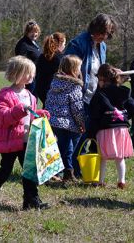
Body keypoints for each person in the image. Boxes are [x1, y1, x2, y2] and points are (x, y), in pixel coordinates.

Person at [0, 56, 50, 210]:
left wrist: (39, 113)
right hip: (11, 141)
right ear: (17, 74)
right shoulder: (6, 94)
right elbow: (2, 116)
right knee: (5, 170)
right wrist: (20, 109)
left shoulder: (30, 95)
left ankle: (31, 200)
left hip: (26, 139)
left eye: (32, 73)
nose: (32, 76)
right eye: (28, 73)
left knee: (29, 171)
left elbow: (29, 114)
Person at [64, 13, 117, 177]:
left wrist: (113, 73)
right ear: (97, 29)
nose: (105, 38)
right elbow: (68, 69)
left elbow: (100, 69)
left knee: (87, 134)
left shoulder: (102, 46)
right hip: (79, 96)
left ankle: (77, 167)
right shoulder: (78, 43)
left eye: (108, 35)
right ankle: (70, 168)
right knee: (76, 134)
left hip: (95, 96)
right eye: (104, 33)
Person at [89, 64, 134, 188]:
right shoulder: (123, 92)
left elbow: (94, 113)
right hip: (121, 128)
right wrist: (124, 117)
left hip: (105, 127)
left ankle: (100, 181)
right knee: (120, 157)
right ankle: (121, 181)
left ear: (102, 79)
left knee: (102, 156)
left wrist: (92, 129)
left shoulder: (100, 94)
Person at [45, 55, 85, 184]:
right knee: (68, 149)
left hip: (53, 121)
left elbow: (48, 101)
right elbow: (77, 108)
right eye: (79, 67)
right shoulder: (74, 86)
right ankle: (68, 172)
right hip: (66, 123)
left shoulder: (54, 83)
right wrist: (81, 123)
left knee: (58, 148)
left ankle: (54, 171)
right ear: (74, 69)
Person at [35, 32, 66, 108]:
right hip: (53, 90)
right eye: (64, 44)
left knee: (46, 108)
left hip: (41, 89)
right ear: (59, 44)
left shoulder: (42, 56)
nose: (64, 46)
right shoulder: (59, 57)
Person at [14, 20, 41, 96]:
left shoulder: (34, 43)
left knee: (33, 100)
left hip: (36, 76)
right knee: (28, 99)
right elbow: (21, 61)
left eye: (36, 32)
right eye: (32, 32)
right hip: (28, 78)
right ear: (27, 32)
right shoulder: (23, 44)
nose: (34, 34)